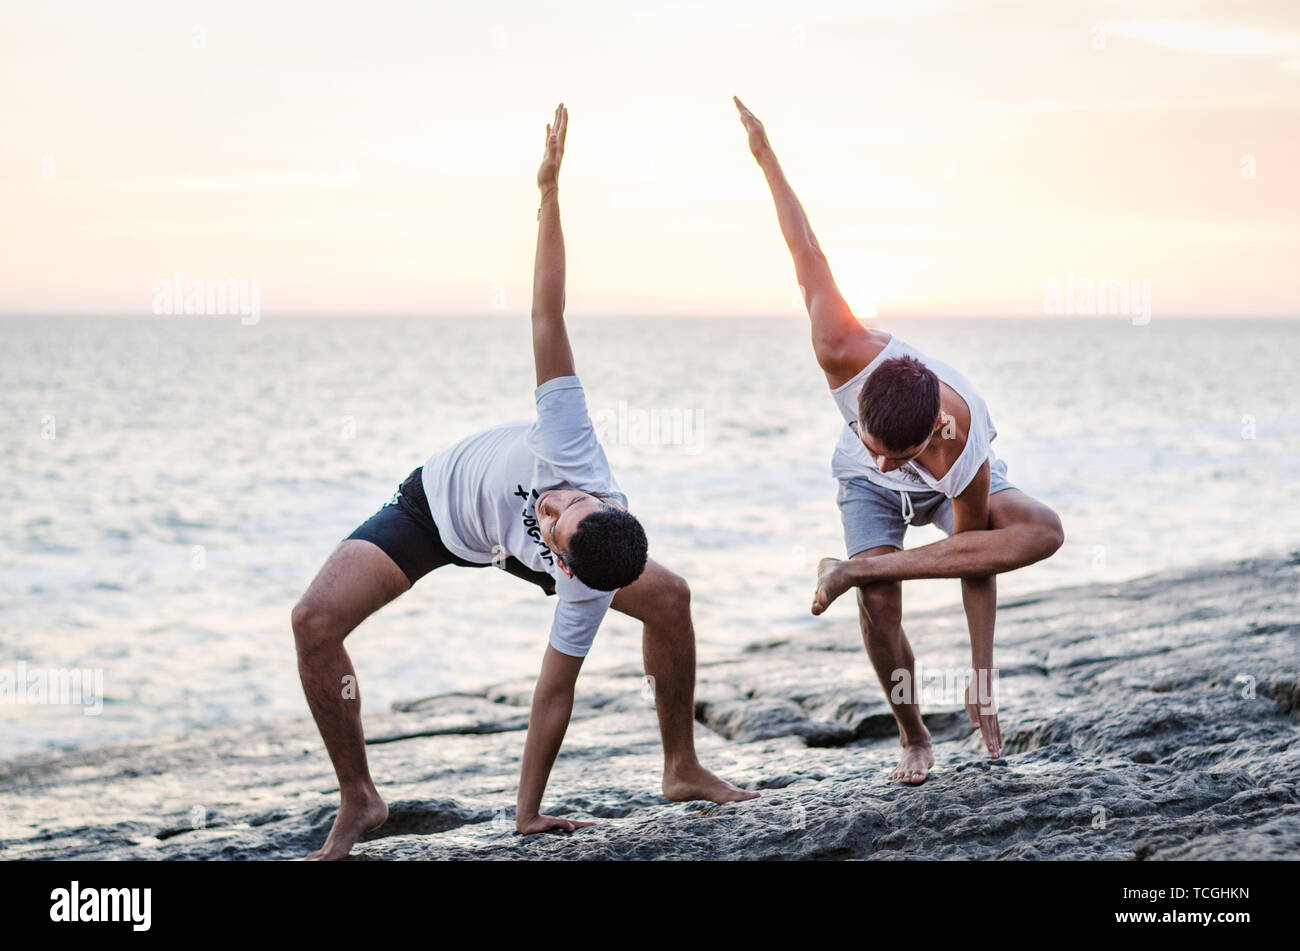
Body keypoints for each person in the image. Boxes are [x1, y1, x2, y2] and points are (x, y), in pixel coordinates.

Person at [292, 104, 757, 860]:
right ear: (593, 495)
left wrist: (526, 815)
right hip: (435, 508)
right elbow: (547, 311)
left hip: (513, 550)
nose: (551, 502)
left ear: (566, 564)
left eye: (556, 523)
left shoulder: (585, 581)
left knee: (668, 597)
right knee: (313, 621)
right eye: (564, 500)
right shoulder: (570, 441)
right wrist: (548, 192)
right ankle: (361, 798)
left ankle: (680, 766)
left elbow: (553, 694)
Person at [733, 96, 1065, 785]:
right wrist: (766, 156)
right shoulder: (841, 346)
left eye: (899, 453)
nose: (887, 459)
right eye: (872, 438)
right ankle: (913, 734)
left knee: (1043, 529)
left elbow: (977, 562)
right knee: (879, 605)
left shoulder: (964, 445)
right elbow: (806, 250)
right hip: (862, 494)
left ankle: (855, 567)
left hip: (946, 491)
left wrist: (983, 678)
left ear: (935, 432)